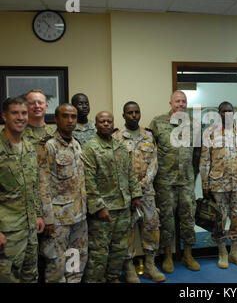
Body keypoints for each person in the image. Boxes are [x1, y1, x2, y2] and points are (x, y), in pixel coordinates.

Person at [82, 111, 142, 283]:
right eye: (102, 121)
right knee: (99, 251)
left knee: (119, 248)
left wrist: (136, 195)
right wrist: (99, 207)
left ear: (113, 123)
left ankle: (113, 277)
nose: (106, 124)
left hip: (123, 207)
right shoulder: (90, 148)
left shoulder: (120, 146)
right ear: (96, 124)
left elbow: (130, 173)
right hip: (104, 210)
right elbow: (88, 181)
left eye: (109, 121)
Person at [113, 101, 165, 283]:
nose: (133, 115)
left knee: (152, 226)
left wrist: (144, 183)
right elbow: (116, 166)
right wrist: (132, 187)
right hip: (126, 194)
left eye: (136, 112)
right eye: (129, 113)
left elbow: (154, 162)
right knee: (128, 230)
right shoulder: (117, 137)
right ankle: (129, 268)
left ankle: (150, 265)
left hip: (147, 192)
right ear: (123, 115)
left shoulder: (148, 136)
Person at [149, 90, 200, 273]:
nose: (181, 104)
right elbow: (150, 151)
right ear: (170, 103)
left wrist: (192, 177)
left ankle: (187, 255)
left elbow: (197, 155)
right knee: (166, 220)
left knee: (188, 218)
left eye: (184, 102)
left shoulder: (194, 125)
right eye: (177, 101)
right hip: (165, 182)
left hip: (186, 181)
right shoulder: (158, 122)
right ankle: (168, 256)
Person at [37, 103, 88, 283]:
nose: (70, 120)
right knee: (56, 266)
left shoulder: (77, 144)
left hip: (79, 219)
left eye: (73, 117)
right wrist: (48, 218)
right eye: (65, 116)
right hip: (58, 221)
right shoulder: (48, 146)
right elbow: (43, 185)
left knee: (75, 263)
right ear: (56, 119)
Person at [199, 101, 237, 269]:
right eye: (223, 111)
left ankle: (235, 252)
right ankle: (222, 252)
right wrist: (205, 184)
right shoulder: (209, 133)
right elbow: (205, 160)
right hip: (218, 183)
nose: (227, 114)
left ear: (233, 112)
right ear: (218, 113)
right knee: (219, 219)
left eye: (230, 111)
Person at [0, 96, 45, 283]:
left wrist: (38, 214)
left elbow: (33, 185)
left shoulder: (28, 146)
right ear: (4, 116)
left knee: (30, 276)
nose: (20, 117)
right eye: (15, 113)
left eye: (24, 113)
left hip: (29, 230)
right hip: (7, 233)